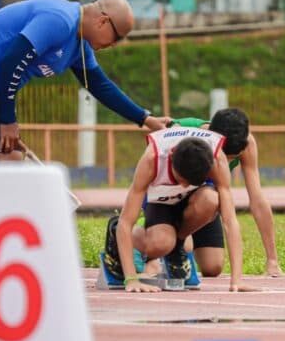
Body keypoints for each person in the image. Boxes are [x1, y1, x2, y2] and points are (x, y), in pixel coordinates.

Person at [0, 0, 169, 162]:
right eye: (117, 37)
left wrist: (145, 118)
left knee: (12, 163)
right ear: (102, 22)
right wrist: (8, 120)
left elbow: (100, 86)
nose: (114, 45)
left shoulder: (79, 46)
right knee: (0, 163)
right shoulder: (60, 20)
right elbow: (12, 62)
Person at [102, 126, 257, 293]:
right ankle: (115, 231)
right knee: (160, 244)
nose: (183, 185)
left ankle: (177, 246)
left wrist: (237, 279)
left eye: (190, 182)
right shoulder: (153, 158)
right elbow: (127, 220)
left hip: (194, 200)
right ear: (171, 156)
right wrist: (131, 279)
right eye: (180, 179)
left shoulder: (217, 159)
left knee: (211, 199)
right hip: (162, 202)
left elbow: (230, 220)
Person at [168, 108, 285, 278]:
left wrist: (272, 261)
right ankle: (153, 245)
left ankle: (178, 241)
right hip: (173, 201)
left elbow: (257, 199)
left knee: (213, 267)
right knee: (207, 203)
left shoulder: (246, 144)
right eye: (222, 155)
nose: (224, 162)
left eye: (232, 158)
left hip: (205, 208)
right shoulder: (185, 133)